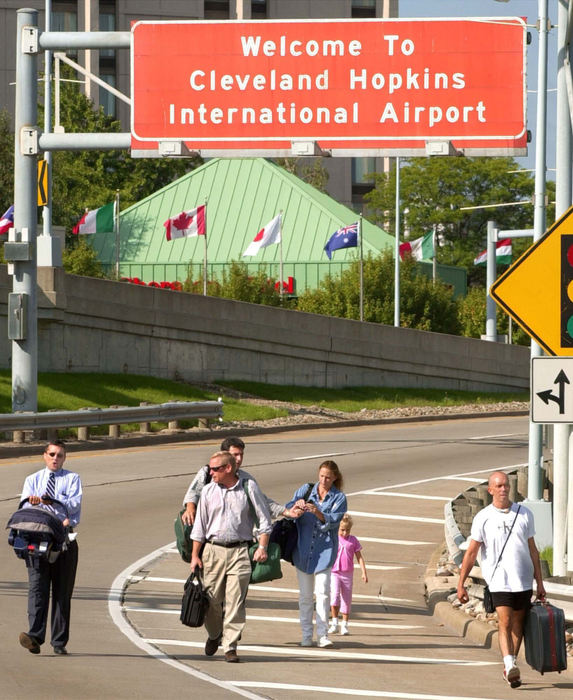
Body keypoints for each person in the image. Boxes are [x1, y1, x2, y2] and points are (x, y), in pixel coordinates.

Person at [457, 471, 546, 689]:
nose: (504, 489)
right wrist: (461, 582)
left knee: (518, 625)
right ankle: (508, 662)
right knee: (505, 622)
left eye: (506, 485)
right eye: (498, 486)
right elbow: (471, 553)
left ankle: (510, 667)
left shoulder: (524, 514)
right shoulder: (483, 517)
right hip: (499, 580)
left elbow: (533, 550)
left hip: (523, 580)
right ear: (490, 490)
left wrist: (540, 582)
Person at [190, 450, 272, 663]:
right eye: (210, 468)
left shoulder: (248, 487)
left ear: (228, 468)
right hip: (213, 551)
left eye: (215, 469)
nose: (211, 473)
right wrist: (194, 555)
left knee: (235, 602)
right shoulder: (208, 490)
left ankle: (230, 646)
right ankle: (215, 634)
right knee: (211, 600)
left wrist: (262, 547)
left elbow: (265, 521)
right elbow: (200, 526)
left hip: (240, 551)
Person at [18, 440, 83, 656]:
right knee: (37, 589)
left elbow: (74, 505)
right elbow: (24, 507)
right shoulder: (32, 480)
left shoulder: (72, 479)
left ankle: (59, 641)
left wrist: (51, 500)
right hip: (37, 540)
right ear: (45, 455)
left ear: (65, 458)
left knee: (62, 592)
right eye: (52, 454)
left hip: (64, 540)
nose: (56, 459)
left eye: (60, 455)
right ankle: (34, 636)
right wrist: (34, 501)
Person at [285, 460, 347, 648]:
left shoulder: (339, 497)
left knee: (323, 593)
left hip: (324, 551)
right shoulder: (306, 489)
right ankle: (306, 635)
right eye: (321, 476)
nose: (324, 480)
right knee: (305, 596)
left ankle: (322, 635)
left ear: (335, 477)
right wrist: (297, 505)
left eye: (328, 477)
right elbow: (288, 508)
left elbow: (334, 522)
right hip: (303, 550)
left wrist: (319, 513)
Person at [182, 436, 294, 525]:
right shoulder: (208, 473)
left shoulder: (246, 480)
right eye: (235, 455)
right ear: (224, 455)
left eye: (241, 455)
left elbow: (262, 501)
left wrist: (286, 511)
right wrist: (190, 508)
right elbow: (193, 492)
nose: (239, 459)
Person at [328, 514, 368, 635]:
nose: (345, 533)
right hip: (334, 572)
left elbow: (359, 557)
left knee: (346, 598)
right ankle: (334, 622)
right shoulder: (334, 538)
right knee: (334, 596)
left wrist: (363, 572)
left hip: (347, 574)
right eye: (342, 530)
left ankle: (344, 624)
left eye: (347, 530)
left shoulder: (353, 541)